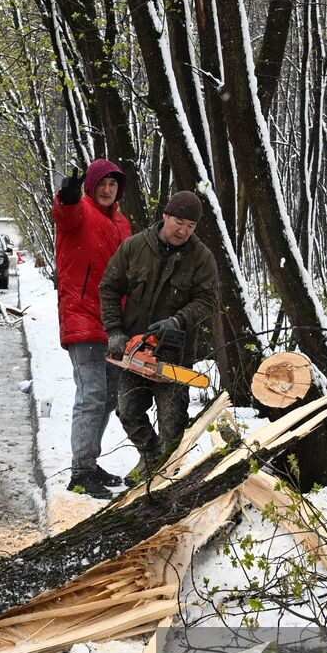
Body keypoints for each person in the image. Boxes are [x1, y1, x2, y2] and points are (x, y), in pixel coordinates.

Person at [99, 190, 218, 482]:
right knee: (127, 412)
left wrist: (177, 321)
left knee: (172, 424)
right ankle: (151, 458)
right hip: (134, 352)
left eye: (190, 226)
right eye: (179, 221)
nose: (183, 230)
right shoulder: (134, 247)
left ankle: (167, 478)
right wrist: (114, 331)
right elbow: (109, 288)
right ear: (165, 215)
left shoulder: (201, 258)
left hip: (174, 356)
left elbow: (207, 301)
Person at [54, 158, 133, 499]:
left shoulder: (121, 223)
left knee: (108, 398)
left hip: (114, 324)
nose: (106, 189)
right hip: (83, 317)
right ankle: (81, 470)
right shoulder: (80, 210)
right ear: (90, 185)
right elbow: (65, 213)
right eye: (101, 183)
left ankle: (90, 461)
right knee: (91, 397)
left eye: (112, 184)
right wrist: (67, 196)